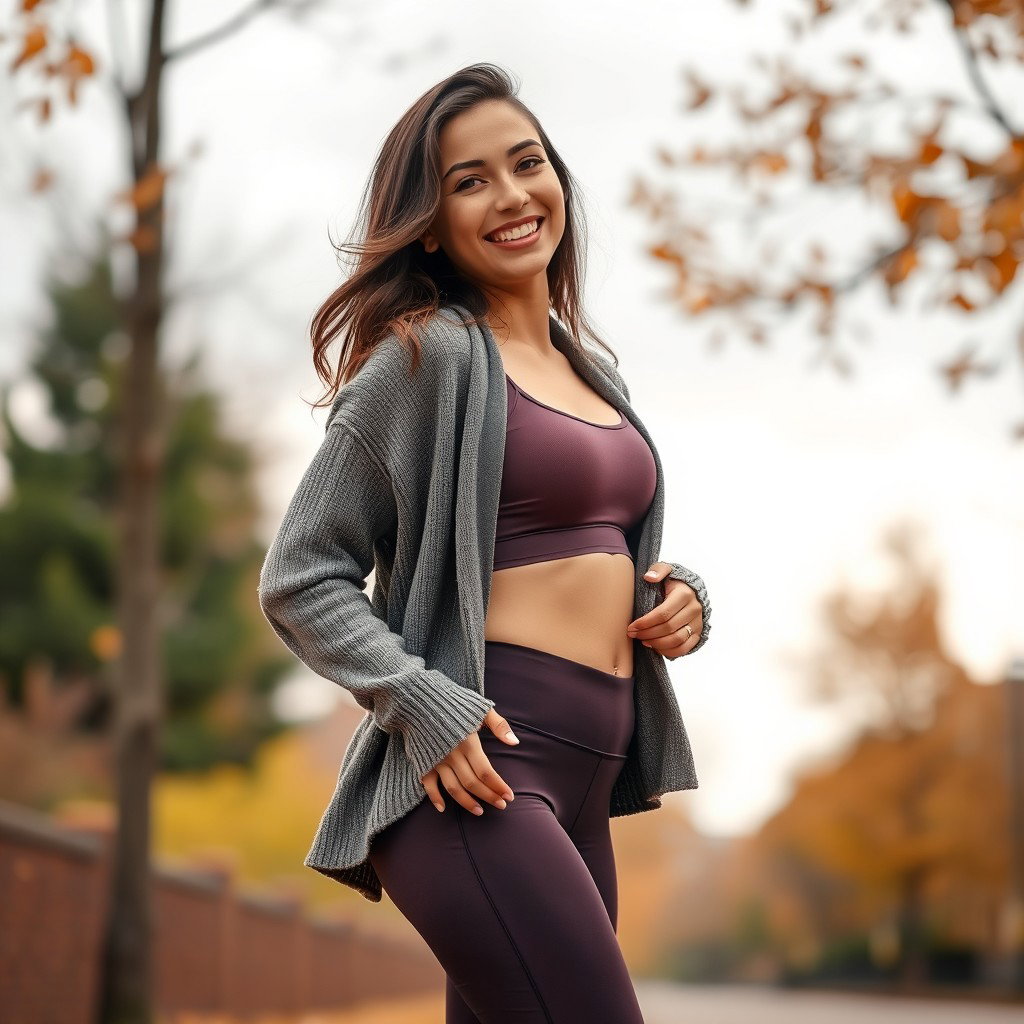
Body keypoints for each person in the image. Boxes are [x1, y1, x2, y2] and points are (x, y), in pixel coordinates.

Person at [258, 62, 712, 1024]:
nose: (511, 196)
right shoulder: (424, 359)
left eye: (526, 163)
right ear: (431, 221)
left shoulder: (595, 373)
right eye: (470, 181)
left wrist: (676, 594)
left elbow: (592, 546)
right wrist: (417, 699)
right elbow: (301, 572)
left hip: (585, 783)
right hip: (478, 776)